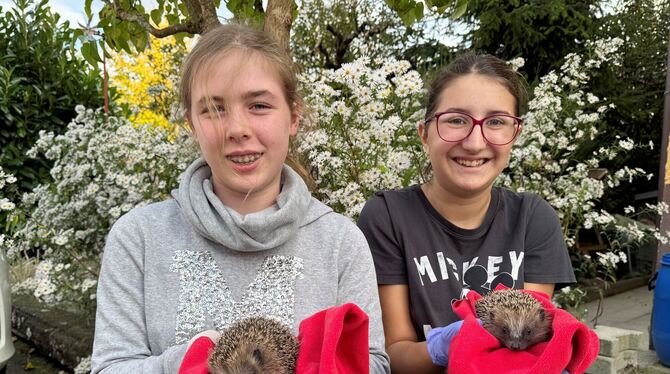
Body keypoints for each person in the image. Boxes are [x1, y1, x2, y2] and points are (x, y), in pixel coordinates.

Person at [91, 23, 390, 373]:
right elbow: (110, 367)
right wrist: (190, 360)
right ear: (192, 123)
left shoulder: (341, 242)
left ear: (293, 116)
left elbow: (372, 363)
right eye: (213, 109)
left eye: (259, 105)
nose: (237, 129)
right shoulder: (138, 238)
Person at [357, 52, 576, 373]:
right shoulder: (387, 215)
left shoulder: (534, 218)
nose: (475, 143)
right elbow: (395, 355)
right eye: (456, 120)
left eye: (496, 122)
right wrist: (446, 345)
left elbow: (526, 341)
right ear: (425, 134)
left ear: (514, 134)